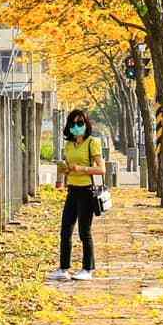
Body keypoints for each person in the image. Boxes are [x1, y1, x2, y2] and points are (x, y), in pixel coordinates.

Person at [51, 108, 106, 282]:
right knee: (65, 230)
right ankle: (64, 268)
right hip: (72, 189)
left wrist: (82, 169)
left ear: (86, 124)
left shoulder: (92, 143)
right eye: (74, 123)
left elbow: (101, 169)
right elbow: (68, 166)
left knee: (84, 231)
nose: (77, 126)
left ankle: (87, 268)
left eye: (80, 123)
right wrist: (65, 170)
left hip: (86, 191)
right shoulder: (68, 145)